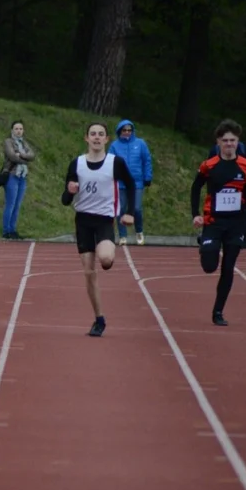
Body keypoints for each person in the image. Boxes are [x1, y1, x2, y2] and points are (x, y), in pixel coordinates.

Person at [61, 122, 136, 337]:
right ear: (86, 138)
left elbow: (131, 185)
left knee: (104, 260)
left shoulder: (115, 163)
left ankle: (109, 254)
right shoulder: (77, 164)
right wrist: (70, 190)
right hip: (83, 221)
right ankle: (99, 318)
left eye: (100, 134)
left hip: (104, 220)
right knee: (88, 272)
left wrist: (129, 212)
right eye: (92, 134)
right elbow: (65, 200)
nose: (96, 137)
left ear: (106, 140)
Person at [192, 119, 246, 327]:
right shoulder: (209, 166)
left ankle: (218, 311)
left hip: (236, 222)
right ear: (218, 142)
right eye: (225, 140)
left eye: (233, 140)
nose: (229, 144)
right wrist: (195, 214)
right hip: (213, 220)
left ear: (238, 142)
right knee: (210, 266)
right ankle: (206, 243)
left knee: (228, 267)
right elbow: (196, 188)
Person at [107, 119, 153, 245]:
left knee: (137, 209)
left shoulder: (140, 143)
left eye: (129, 130)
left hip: (137, 182)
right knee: (120, 209)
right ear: (119, 131)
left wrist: (147, 177)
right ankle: (123, 236)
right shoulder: (114, 146)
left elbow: (146, 160)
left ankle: (139, 231)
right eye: (124, 130)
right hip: (120, 183)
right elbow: (109, 162)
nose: (127, 132)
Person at [207, 139, 246, 249]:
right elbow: (208, 166)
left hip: (239, 183)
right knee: (214, 209)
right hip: (219, 185)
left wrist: (245, 178)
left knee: (243, 210)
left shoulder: (245, 149)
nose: (229, 143)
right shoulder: (215, 149)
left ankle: (243, 238)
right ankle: (213, 236)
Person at [0, 120, 35, 239]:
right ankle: (6, 231)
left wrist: (22, 155)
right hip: (12, 175)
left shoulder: (24, 143)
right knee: (11, 204)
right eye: (16, 129)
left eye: (20, 129)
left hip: (22, 176)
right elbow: (12, 156)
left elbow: (32, 155)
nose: (18, 131)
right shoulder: (8, 141)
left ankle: (13, 230)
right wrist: (25, 159)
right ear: (12, 130)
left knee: (17, 205)